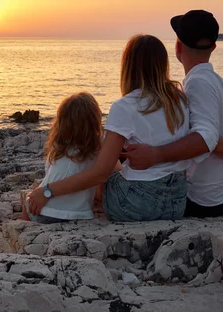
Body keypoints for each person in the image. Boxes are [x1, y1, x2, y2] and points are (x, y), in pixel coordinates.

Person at [28, 34, 192, 221]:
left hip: (139, 204)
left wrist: (47, 191)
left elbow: (100, 173)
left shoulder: (126, 106)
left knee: (107, 170)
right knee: (117, 163)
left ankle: (90, 204)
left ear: (128, 67)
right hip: (177, 201)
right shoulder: (180, 100)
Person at [124, 10, 223, 218]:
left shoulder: (196, 84)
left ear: (178, 46)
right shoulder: (218, 82)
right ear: (213, 47)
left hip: (205, 200)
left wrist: (154, 155)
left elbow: (207, 138)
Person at [21, 92, 103, 223]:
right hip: (79, 214)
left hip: (43, 211)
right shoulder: (99, 144)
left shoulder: (56, 146)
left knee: (28, 198)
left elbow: (51, 175)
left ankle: (24, 225)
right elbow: (106, 174)